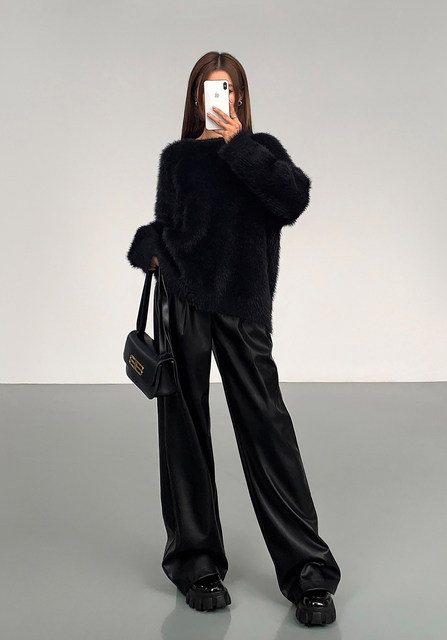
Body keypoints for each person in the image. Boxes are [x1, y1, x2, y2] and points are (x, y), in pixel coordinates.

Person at [126, 51, 341, 627]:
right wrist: (150, 247)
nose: (216, 98)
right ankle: (196, 564)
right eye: (207, 89)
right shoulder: (178, 159)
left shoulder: (261, 151)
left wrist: (239, 144)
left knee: (266, 425)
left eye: (226, 89)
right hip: (183, 300)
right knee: (184, 429)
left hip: (242, 306)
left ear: (240, 98)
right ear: (196, 97)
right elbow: (167, 223)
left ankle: (309, 573)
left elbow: (292, 200)